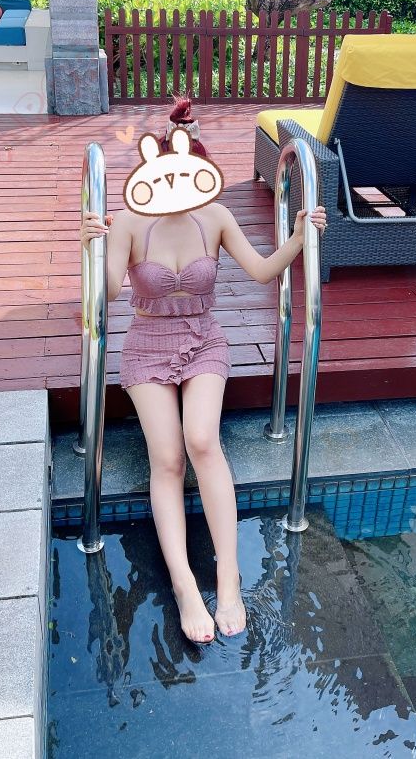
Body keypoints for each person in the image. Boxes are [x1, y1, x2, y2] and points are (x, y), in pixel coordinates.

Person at [82, 108, 327, 645]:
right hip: (147, 346)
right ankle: (185, 584)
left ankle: (228, 577)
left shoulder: (214, 216)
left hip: (203, 341)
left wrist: (299, 236)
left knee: (201, 440)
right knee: (167, 458)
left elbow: (261, 270)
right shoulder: (129, 221)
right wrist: (94, 246)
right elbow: (112, 291)